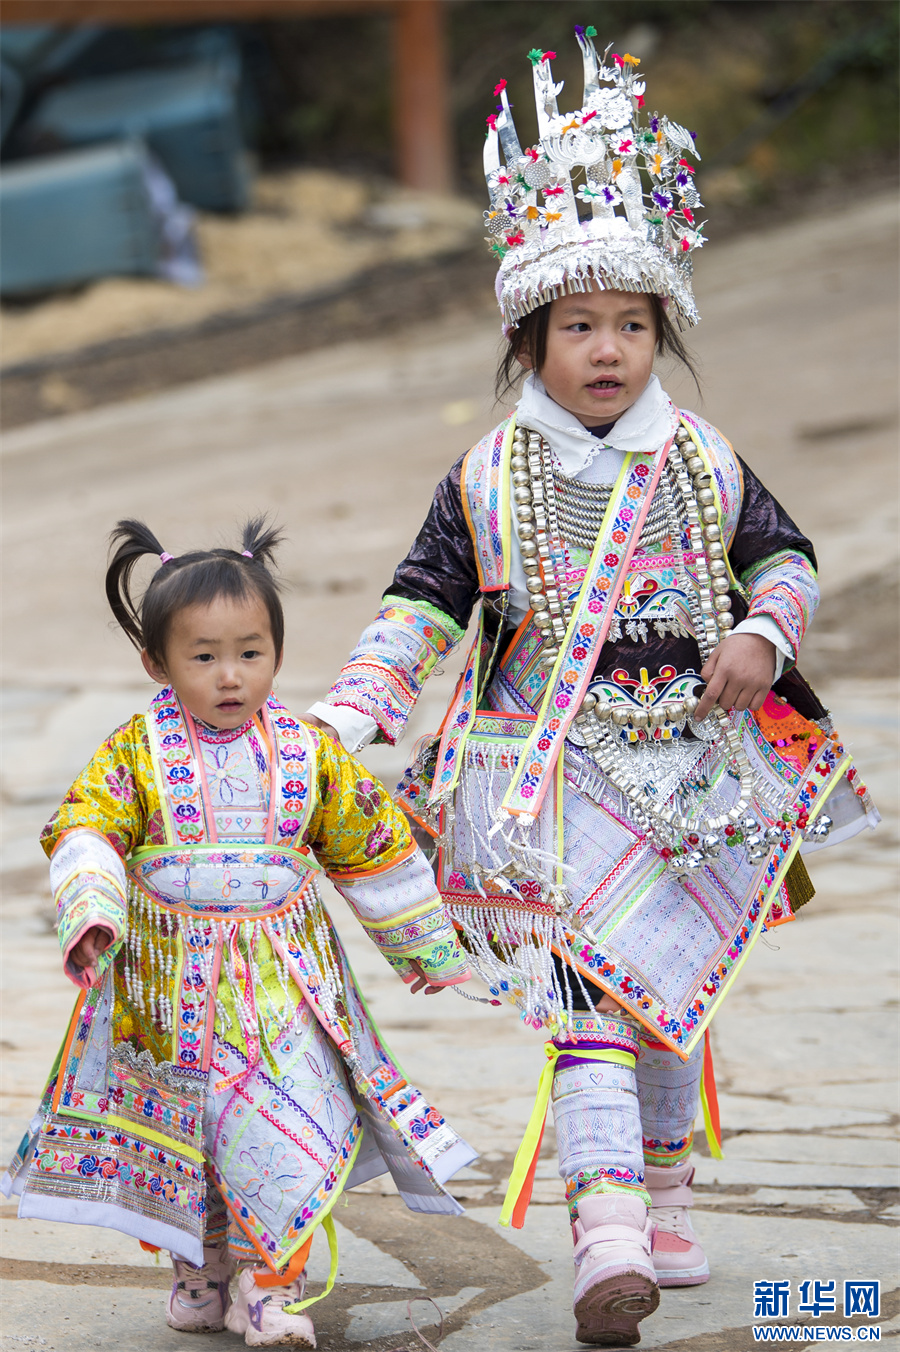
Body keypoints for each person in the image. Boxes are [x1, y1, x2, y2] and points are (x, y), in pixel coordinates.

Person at [305, 31, 878, 1348]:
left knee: (671, 992)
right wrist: (356, 710)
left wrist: (765, 640)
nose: (607, 349)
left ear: (660, 331)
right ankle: (606, 1228)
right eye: (579, 326)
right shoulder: (487, 477)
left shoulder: (704, 460)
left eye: (630, 324)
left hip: (692, 774)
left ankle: (666, 1199)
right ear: (530, 339)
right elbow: (425, 603)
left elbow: (781, 555)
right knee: (589, 1001)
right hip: (545, 787)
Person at [1, 518, 474, 1351]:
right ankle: (202, 1268)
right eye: (204, 656)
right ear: (156, 663)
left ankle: (264, 1289)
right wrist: (94, 909)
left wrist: (425, 944)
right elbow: (85, 831)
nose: (230, 676)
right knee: (197, 1138)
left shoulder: (309, 754)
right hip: (167, 991)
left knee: (279, 1129)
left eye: (250, 654)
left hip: (284, 984)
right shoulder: (132, 754)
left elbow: (370, 846)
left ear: (278, 656)